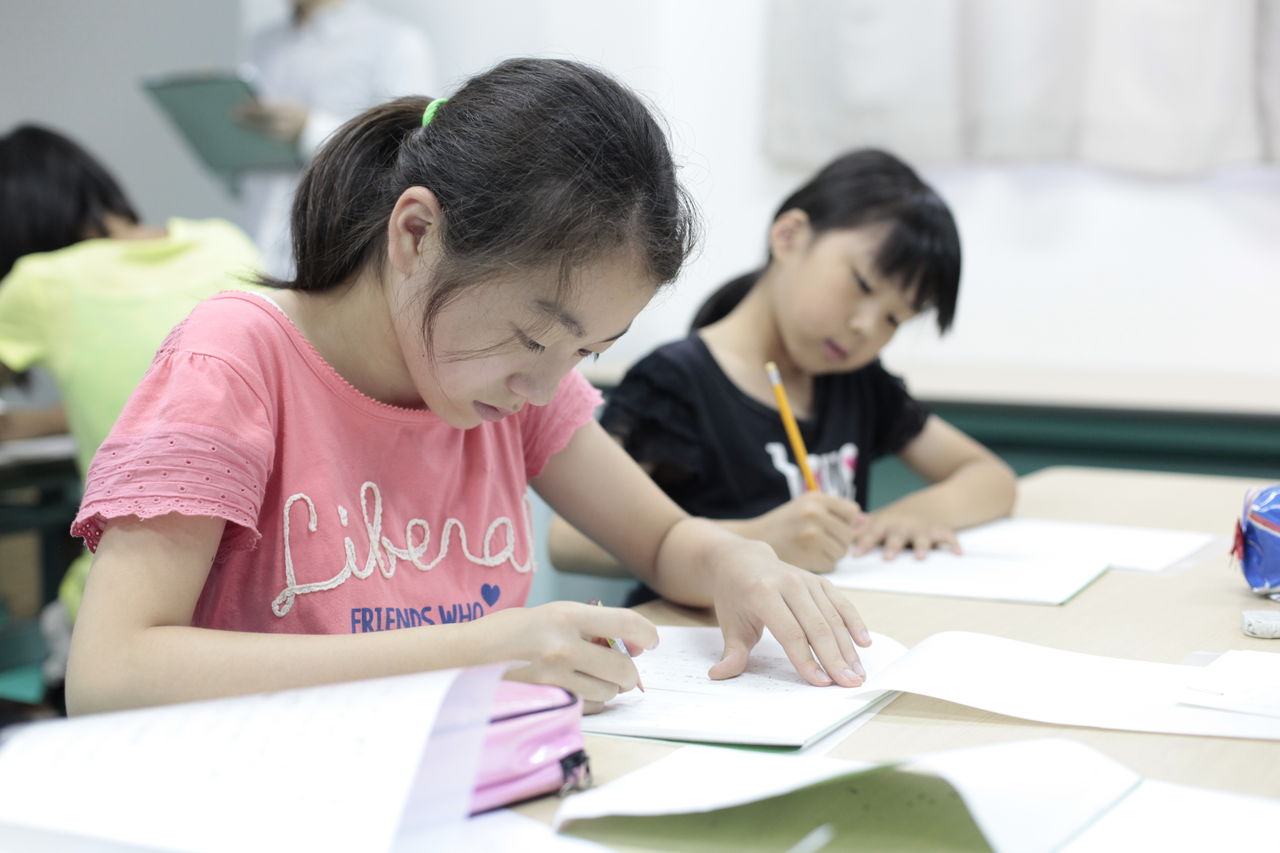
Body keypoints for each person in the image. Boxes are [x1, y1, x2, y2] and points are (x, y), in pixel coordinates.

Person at [65, 59, 873, 719]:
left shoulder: (513, 388)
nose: (545, 385)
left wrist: (737, 560)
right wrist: (475, 653)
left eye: (587, 350)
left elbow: (660, 542)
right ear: (417, 234)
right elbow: (109, 670)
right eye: (534, 335)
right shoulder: (235, 361)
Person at [549, 148, 1017, 589]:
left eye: (895, 319)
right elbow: (569, 543)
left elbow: (990, 477)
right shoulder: (675, 381)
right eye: (861, 284)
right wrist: (756, 538)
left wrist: (914, 515)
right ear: (789, 236)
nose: (866, 327)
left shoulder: (859, 383)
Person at [0, 124, 263, 634]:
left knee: (58, 620)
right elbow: (179, 393)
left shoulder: (41, 280)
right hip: (261, 588)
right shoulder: (225, 243)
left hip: (130, 604)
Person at [237, 0, 435, 277]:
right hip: (252, 249)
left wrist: (309, 128)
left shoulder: (395, 43)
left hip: (335, 261)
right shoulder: (263, 43)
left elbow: (407, 154)